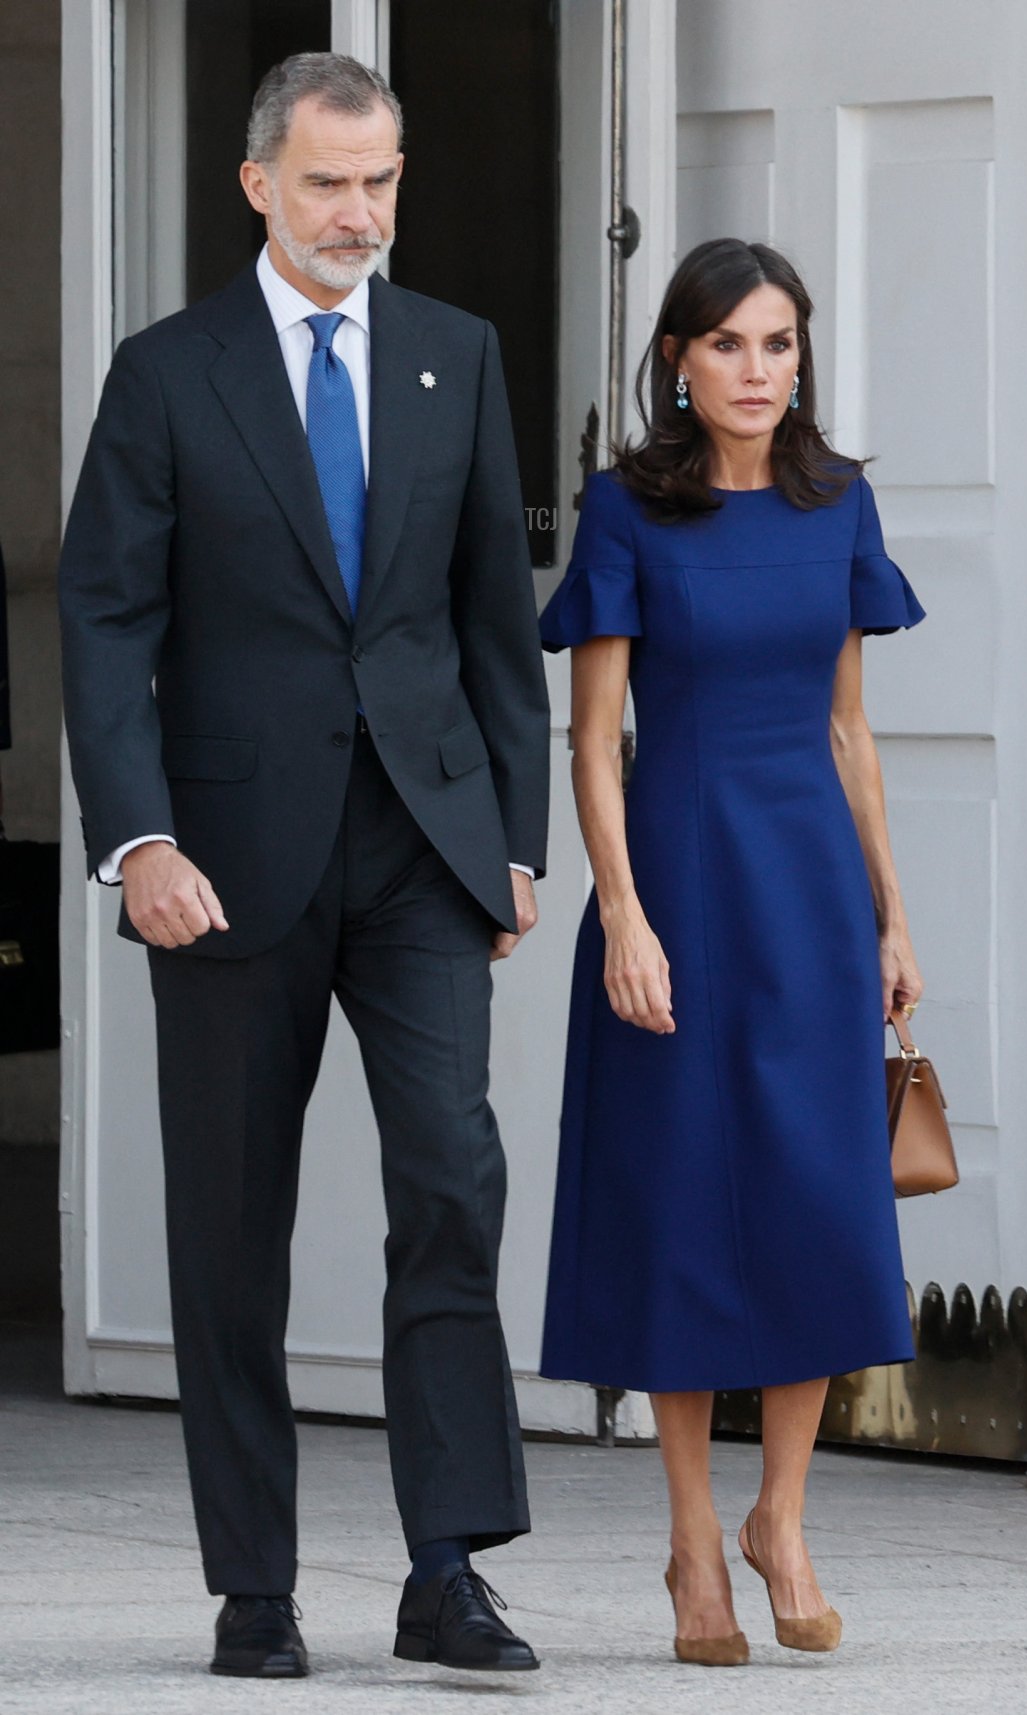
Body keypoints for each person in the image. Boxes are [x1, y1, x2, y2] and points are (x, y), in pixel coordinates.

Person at [59, 53, 548, 1680]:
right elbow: (104, 620)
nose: (362, 213)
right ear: (258, 183)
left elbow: (493, 621)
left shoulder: (455, 356)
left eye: (384, 180)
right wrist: (138, 841)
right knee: (229, 1230)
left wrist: (516, 844)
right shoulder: (164, 374)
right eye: (331, 182)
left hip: (421, 848)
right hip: (223, 861)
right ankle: (252, 1586)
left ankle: (446, 1568)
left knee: (452, 1184)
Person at [539, 237, 925, 1667]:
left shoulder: (840, 506)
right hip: (683, 886)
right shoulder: (628, 511)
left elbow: (848, 729)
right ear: (677, 365)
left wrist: (891, 915)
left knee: (823, 1201)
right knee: (689, 1210)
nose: (758, 370)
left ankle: (785, 1520)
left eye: (779, 343)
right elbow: (594, 741)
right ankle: (696, 1545)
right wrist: (624, 914)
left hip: (811, 892)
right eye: (729, 345)